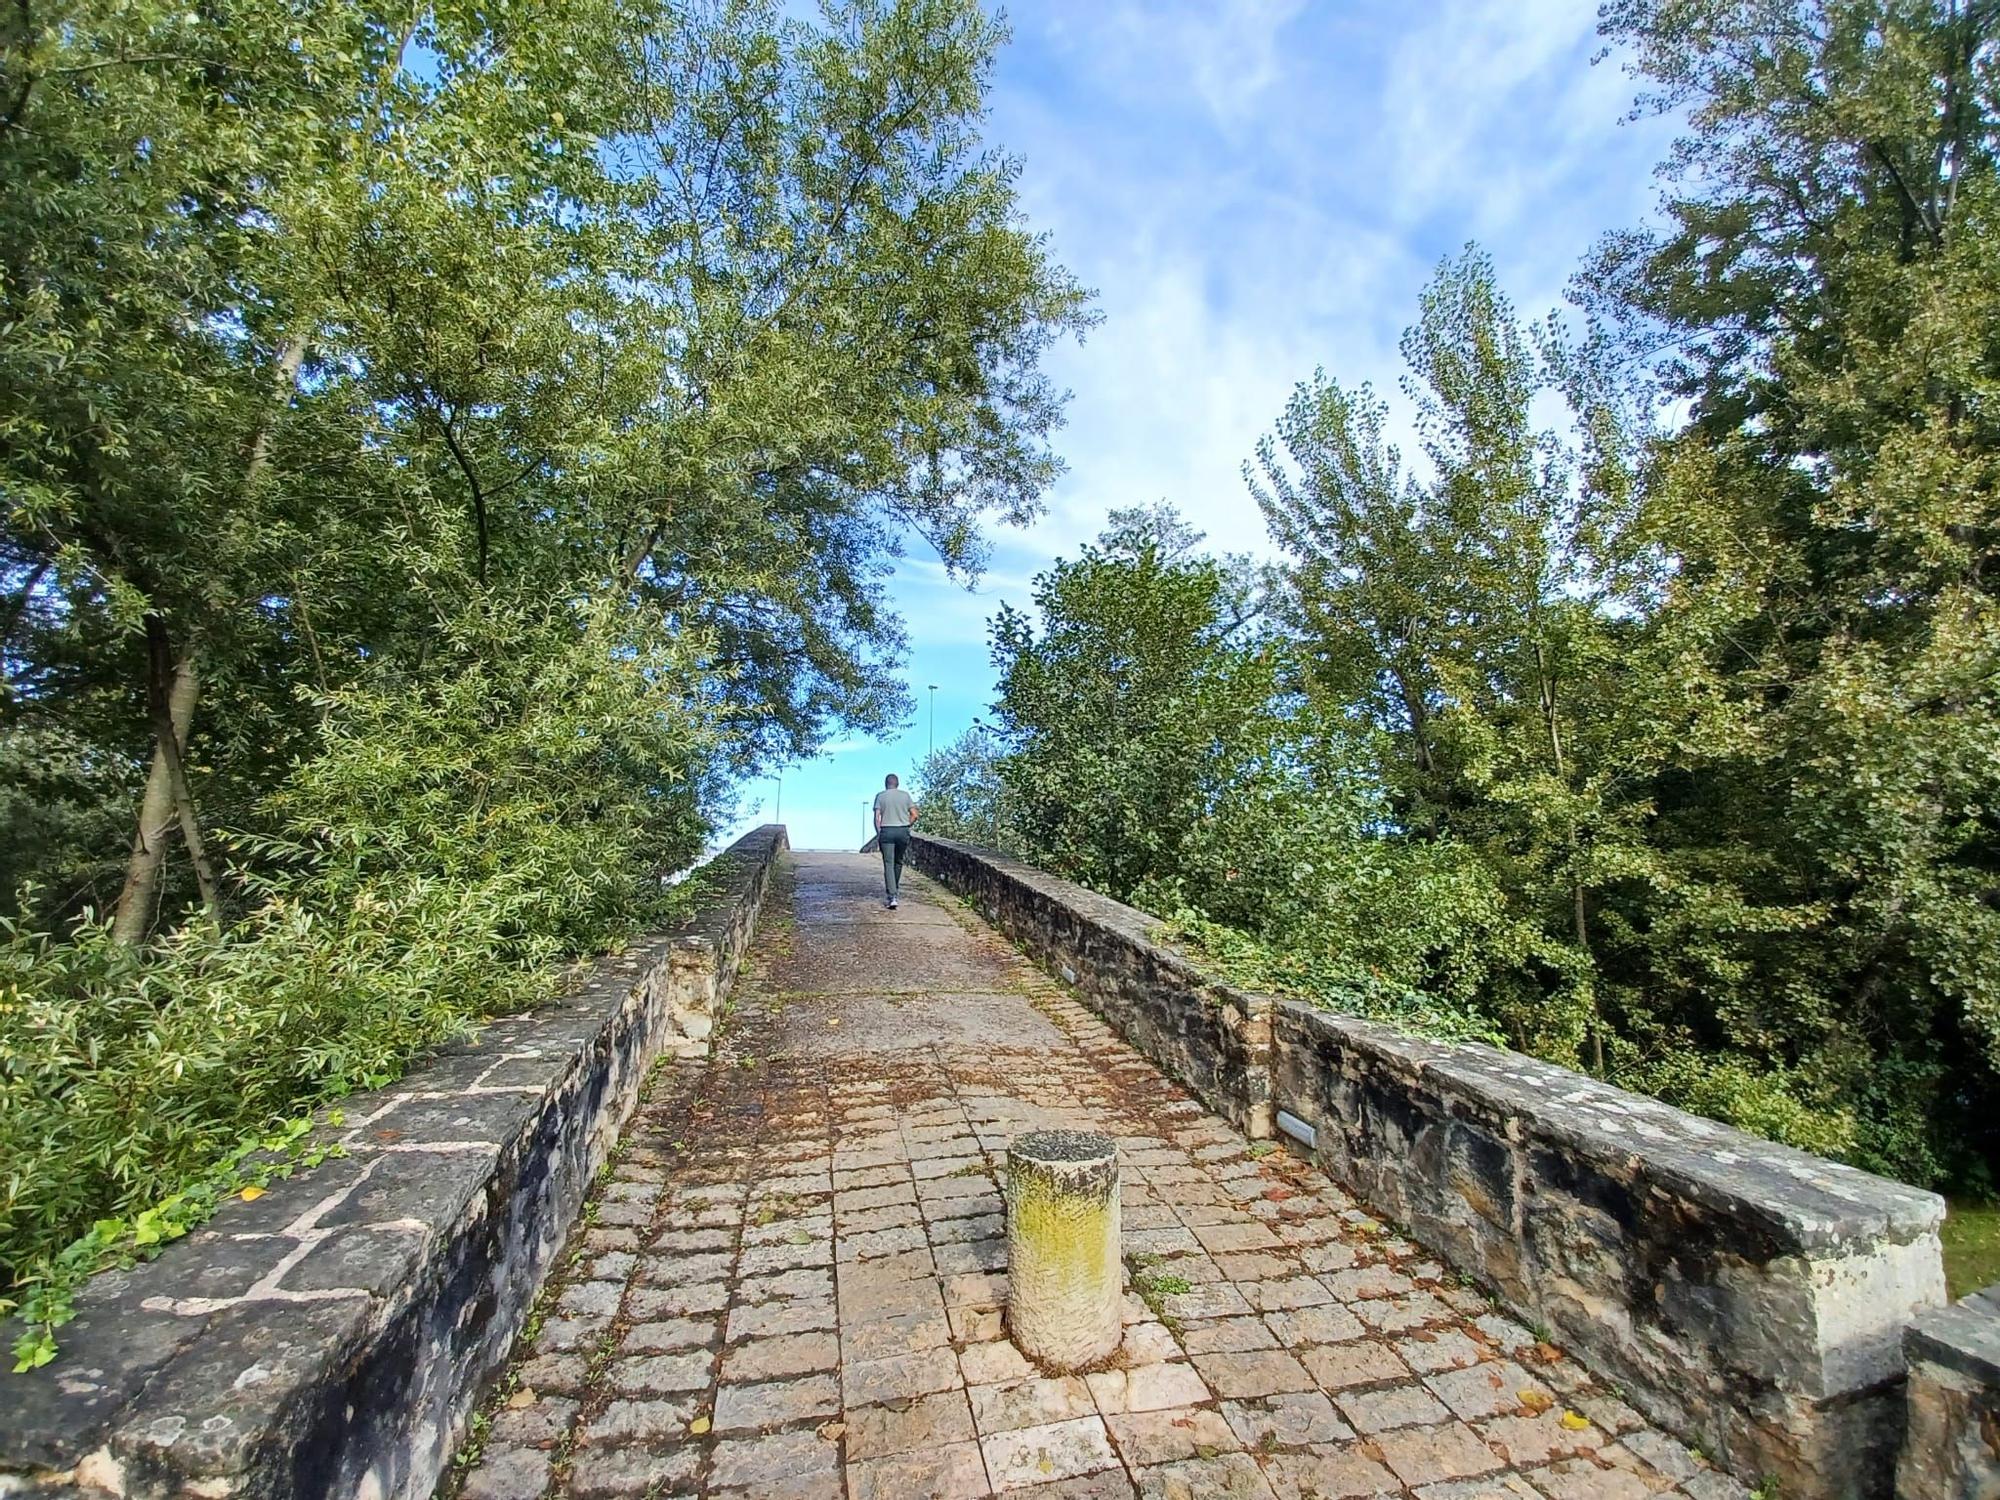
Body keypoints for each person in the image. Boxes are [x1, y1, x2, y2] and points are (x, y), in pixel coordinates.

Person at [873, 773, 918, 909]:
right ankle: (895, 891)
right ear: (897, 784)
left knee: (888, 863)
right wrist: (906, 825)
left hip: (887, 831)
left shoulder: (880, 796)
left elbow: (877, 818)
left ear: (886, 784)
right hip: (902, 831)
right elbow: (915, 815)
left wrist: (879, 833)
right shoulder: (905, 796)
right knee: (898, 862)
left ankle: (891, 896)